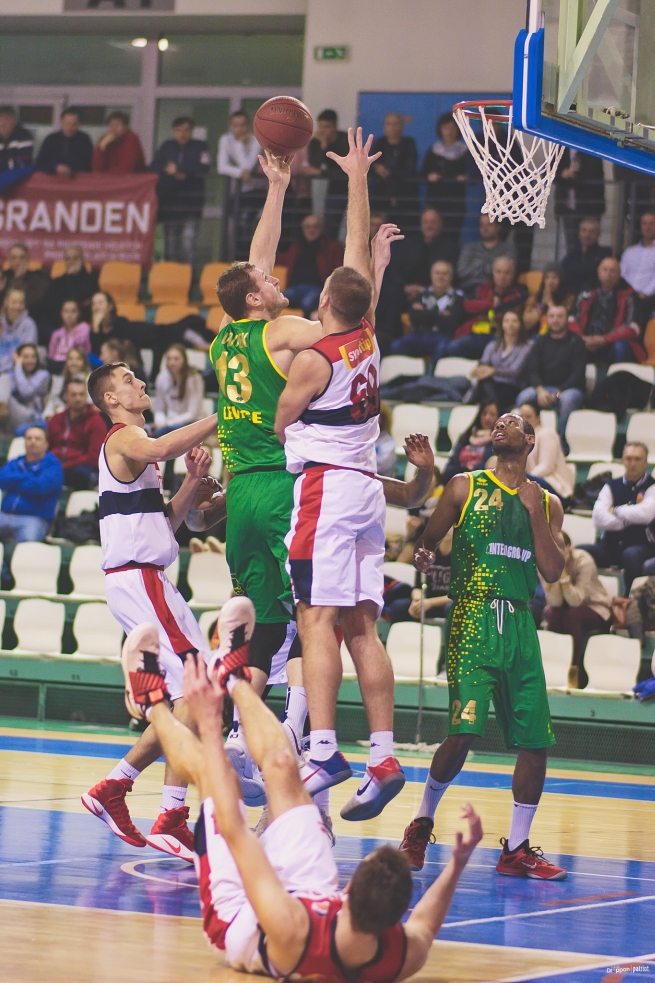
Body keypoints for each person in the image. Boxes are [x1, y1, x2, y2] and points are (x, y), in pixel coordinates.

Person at [120, 597, 483, 980]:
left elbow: (235, 829)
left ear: (349, 892)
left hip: (241, 910)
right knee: (282, 766)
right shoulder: (400, 952)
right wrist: (458, 862)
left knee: (215, 775)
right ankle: (233, 677)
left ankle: (151, 705)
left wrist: (210, 722)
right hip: (311, 887)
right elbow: (424, 925)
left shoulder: (292, 931)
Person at [211, 130, 401, 812]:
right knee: (337, 625)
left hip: (258, 484)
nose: (276, 279)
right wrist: (361, 216)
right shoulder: (310, 334)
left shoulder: (234, 337)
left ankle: (284, 739)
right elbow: (350, 299)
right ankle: (347, 746)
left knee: (284, 619)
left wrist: (278, 188)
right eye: (265, 284)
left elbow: (257, 268)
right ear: (256, 301)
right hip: (319, 485)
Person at [274, 131, 410, 823]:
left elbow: (280, 421)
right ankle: (383, 755)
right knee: (362, 627)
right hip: (366, 488)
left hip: (325, 487)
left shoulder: (315, 358)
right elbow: (358, 252)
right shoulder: (368, 335)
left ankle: (324, 748)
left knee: (315, 619)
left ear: (325, 301)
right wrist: (358, 177)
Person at [399, 412, 567, 879]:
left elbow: (553, 571)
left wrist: (534, 512)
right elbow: (427, 541)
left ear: (529, 440)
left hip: (520, 622)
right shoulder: (464, 486)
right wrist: (424, 554)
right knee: (464, 732)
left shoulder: (548, 502)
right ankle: (421, 822)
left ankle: (516, 848)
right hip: (473, 616)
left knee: (535, 740)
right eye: (498, 422)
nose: (500, 425)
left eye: (512, 422)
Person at [80, 360, 219, 859]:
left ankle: (119, 788)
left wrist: (192, 481)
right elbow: (162, 447)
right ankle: (168, 814)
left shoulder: (137, 451)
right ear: (112, 399)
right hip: (139, 579)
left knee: (195, 692)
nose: (140, 382)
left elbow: (165, 524)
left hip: (146, 576)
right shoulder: (124, 438)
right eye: (128, 380)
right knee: (199, 686)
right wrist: (224, 412)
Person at [376, 207, 458, 352]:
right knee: (390, 295)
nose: (429, 226)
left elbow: (449, 276)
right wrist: (405, 287)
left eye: (433, 222)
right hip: (404, 292)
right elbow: (394, 270)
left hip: (434, 292)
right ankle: (387, 337)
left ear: (441, 224)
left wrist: (424, 290)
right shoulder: (408, 244)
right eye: (425, 222)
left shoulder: (450, 247)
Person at [579, 441, 655, 594]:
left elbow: (645, 514)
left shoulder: (651, 486)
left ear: (646, 462)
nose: (632, 463)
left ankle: (630, 600)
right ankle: (584, 596)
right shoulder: (611, 485)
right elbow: (597, 518)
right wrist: (627, 521)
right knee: (579, 553)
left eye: (637, 459)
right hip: (610, 546)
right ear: (622, 461)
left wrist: (615, 510)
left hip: (642, 546)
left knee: (631, 555)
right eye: (628, 459)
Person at [544, 531, 611, 689]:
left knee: (572, 616)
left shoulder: (584, 560)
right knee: (553, 614)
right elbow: (555, 602)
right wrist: (554, 577)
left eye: (560, 546)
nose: (556, 551)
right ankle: (552, 668)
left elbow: (576, 601)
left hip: (594, 606)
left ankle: (573, 670)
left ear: (569, 547)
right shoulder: (545, 561)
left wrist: (563, 575)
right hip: (564, 608)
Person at [516, 305, 586, 440]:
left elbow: (577, 375)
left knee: (568, 400)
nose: (556, 320)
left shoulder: (577, 342)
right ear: (547, 319)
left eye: (560, 316)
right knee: (523, 397)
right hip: (544, 388)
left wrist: (558, 393)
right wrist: (540, 390)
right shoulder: (540, 341)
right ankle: (523, 439)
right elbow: (532, 371)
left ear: (567, 319)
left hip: (568, 389)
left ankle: (561, 441)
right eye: (552, 316)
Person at [152, 116, 211, 267]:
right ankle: (172, 279)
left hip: (192, 204)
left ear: (191, 131)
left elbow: (204, 168)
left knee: (188, 245)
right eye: (179, 130)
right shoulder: (167, 146)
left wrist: (180, 169)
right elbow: (154, 166)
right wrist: (168, 169)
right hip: (171, 205)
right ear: (173, 131)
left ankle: (190, 279)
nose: (182, 134)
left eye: (186, 130)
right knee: (171, 246)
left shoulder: (200, 146)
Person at [446, 256, 527, 360]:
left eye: (507, 273)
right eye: (498, 272)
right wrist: (491, 304)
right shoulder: (482, 288)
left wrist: (485, 311)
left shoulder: (520, 292)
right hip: (476, 333)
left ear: (513, 274)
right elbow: (468, 305)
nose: (502, 276)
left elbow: (510, 313)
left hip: (499, 335)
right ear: (493, 273)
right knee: (453, 347)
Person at [390, 260, 465, 366]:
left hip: (442, 336)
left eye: (444, 274)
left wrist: (425, 313)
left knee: (443, 348)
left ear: (451, 277)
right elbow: (415, 317)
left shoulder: (458, 296)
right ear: (431, 275)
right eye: (437, 273)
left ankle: (431, 375)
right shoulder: (422, 294)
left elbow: (453, 322)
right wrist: (440, 313)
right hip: (419, 335)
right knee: (396, 345)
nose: (440, 277)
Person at [0, 425, 63, 547]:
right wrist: (28, 477)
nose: (32, 441)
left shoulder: (54, 466)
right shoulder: (15, 462)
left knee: (27, 545)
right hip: (5, 515)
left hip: (34, 518)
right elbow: (2, 479)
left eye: (37, 439)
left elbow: (39, 487)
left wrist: (12, 482)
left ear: (46, 444)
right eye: (29, 438)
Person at [574, 257, 645, 364]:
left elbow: (633, 328)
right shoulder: (586, 292)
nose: (608, 274)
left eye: (613, 271)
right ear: (598, 272)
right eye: (605, 270)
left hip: (613, 344)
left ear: (619, 274)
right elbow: (572, 320)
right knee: (570, 343)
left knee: (621, 347)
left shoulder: (630, 295)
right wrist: (582, 339)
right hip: (586, 341)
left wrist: (605, 339)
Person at [277, 214, 344, 318]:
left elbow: (338, 268)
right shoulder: (297, 247)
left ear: (321, 228)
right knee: (275, 301)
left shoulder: (331, 247)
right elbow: (281, 259)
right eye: (307, 227)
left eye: (315, 227)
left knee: (307, 303)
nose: (311, 230)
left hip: (316, 288)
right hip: (295, 288)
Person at [218, 110, 264, 258]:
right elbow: (221, 167)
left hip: (256, 191)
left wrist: (239, 145)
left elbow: (248, 165)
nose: (240, 129)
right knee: (236, 224)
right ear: (231, 127)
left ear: (249, 126)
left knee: (247, 223)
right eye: (236, 125)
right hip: (237, 192)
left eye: (243, 125)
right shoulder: (225, 139)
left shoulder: (257, 140)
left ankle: (249, 256)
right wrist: (239, 173)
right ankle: (237, 256)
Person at [46, 378, 107, 489]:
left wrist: (64, 466)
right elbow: (47, 447)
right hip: (56, 465)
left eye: (81, 394)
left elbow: (93, 458)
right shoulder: (56, 419)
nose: (78, 399)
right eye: (74, 395)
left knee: (81, 474)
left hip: (79, 468)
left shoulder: (96, 422)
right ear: (65, 396)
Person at [387, 526, 453, 625]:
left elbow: (459, 594)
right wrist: (418, 600)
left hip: (445, 603)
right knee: (398, 606)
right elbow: (417, 587)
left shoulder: (462, 555)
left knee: (452, 608)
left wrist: (430, 603)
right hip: (426, 602)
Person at [420, 112, 469, 240]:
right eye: (446, 128)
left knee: (452, 236)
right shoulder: (433, 150)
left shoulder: (465, 151)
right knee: (432, 235)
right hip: (435, 200)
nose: (449, 131)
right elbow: (422, 175)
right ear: (440, 130)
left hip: (455, 202)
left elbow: (474, 175)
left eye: (452, 128)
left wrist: (465, 178)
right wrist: (429, 177)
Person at [470, 310, 532, 410]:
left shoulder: (526, 347)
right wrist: (480, 370)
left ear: (520, 324)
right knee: (485, 383)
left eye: (514, 321)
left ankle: (484, 407)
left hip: (511, 386)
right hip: (491, 384)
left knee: (486, 388)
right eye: (507, 321)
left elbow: (514, 371)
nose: (510, 324)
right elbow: (483, 363)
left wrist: (493, 371)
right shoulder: (492, 345)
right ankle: (493, 409)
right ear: (502, 324)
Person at [306, 110, 350, 240]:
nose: (323, 131)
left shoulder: (347, 140)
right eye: (321, 127)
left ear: (335, 126)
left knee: (355, 227)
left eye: (327, 127)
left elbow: (348, 169)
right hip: (334, 189)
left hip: (352, 187)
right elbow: (315, 164)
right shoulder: (317, 142)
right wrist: (323, 146)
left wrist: (322, 173)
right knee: (330, 227)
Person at [519, 401, 574, 503]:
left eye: (528, 417)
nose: (524, 420)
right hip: (536, 483)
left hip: (555, 487)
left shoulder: (546, 434)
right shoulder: (523, 439)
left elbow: (547, 466)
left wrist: (525, 479)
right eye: (521, 417)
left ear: (537, 418)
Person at [370, 112, 418, 228]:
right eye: (389, 124)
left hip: (405, 195)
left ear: (402, 127)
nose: (392, 128)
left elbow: (410, 168)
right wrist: (376, 168)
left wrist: (388, 172)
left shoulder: (409, 143)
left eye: (396, 124)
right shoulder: (379, 143)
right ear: (384, 127)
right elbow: (370, 164)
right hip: (382, 195)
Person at [554, 150, 605, 252]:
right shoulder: (561, 149)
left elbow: (592, 175)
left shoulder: (591, 149)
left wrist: (570, 178)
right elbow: (550, 172)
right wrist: (562, 174)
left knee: (590, 244)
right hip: (568, 207)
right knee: (571, 245)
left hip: (589, 208)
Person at [441, 400, 500, 486]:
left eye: (492, 414)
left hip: (479, 481)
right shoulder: (467, 436)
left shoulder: (498, 441)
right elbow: (453, 460)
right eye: (484, 413)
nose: (487, 418)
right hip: (458, 475)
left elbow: (489, 466)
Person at [457, 214, 516, 297]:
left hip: (494, 292)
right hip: (468, 290)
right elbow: (461, 272)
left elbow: (506, 272)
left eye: (489, 225)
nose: (485, 228)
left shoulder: (507, 249)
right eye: (482, 225)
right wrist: (488, 269)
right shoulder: (469, 248)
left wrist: (475, 266)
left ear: (498, 227)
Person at [154, 344, 204, 437]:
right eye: (169, 359)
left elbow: (193, 414)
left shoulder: (194, 379)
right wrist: (160, 421)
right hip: (169, 423)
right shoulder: (161, 378)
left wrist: (168, 423)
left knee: (161, 432)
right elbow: (159, 408)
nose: (172, 363)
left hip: (190, 423)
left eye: (176, 359)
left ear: (184, 360)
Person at [44, 246, 98, 329]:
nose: (71, 262)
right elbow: (51, 306)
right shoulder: (57, 282)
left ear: (82, 260)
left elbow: (89, 306)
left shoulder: (92, 280)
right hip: (58, 325)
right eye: (68, 259)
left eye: (75, 258)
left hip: (83, 325)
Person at [0, 343, 50, 433]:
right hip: (10, 415)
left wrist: (18, 366)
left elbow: (25, 391)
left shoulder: (43, 375)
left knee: (4, 379)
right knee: (4, 378)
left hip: (30, 416)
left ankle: (2, 407)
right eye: (26, 357)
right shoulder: (11, 375)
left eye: (33, 357)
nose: (30, 360)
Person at [620, 209, 655, 328]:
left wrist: (645, 293)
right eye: (644, 223)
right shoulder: (630, 252)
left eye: (651, 223)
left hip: (648, 297)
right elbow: (622, 274)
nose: (647, 227)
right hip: (627, 295)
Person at [34, 107, 93, 177]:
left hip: (78, 179)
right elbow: (40, 163)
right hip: (53, 179)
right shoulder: (51, 139)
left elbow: (89, 164)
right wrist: (55, 167)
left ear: (78, 124)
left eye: (74, 124)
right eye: (67, 124)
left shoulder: (84, 140)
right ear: (61, 122)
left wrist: (70, 170)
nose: (69, 128)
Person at [560, 217, 612, 296]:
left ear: (598, 234)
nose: (587, 235)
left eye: (592, 232)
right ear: (579, 233)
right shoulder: (570, 257)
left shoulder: (605, 255)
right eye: (584, 231)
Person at [0, 244, 49, 326]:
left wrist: (19, 278)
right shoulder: (4, 277)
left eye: (22, 258)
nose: (17, 261)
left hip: (29, 321)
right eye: (14, 258)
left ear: (28, 259)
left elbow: (29, 303)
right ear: (9, 261)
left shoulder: (37, 278)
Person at [522, 262, 575, 336]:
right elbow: (525, 324)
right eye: (547, 277)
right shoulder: (534, 298)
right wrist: (541, 307)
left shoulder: (569, 299)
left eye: (554, 277)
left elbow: (564, 323)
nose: (550, 281)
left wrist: (550, 303)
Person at [43, 346, 90, 419]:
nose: (74, 363)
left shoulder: (90, 380)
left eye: (78, 359)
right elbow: (52, 400)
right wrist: (48, 415)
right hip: (57, 416)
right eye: (70, 359)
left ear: (84, 362)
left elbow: (89, 403)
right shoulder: (59, 380)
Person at [0, 288, 38, 378]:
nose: (17, 307)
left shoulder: (28, 325)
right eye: (14, 302)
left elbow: (27, 358)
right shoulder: (1, 323)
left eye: (21, 303)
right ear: (6, 302)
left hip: (16, 374)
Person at [47, 299, 91, 373]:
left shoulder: (84, 328)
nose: (69, 315)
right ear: (61, 314)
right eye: (66, 311)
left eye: (73, 311)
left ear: (79, 313)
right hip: (58, 366)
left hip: (78, 366)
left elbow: (82, 347)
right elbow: (51, 356)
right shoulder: (56, 334)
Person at [0, 106, 33, 172]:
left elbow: (22, 164)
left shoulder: (24, 136)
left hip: (19, 176)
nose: (1, 129)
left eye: (4, 125)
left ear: (13, 121)